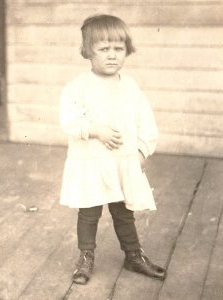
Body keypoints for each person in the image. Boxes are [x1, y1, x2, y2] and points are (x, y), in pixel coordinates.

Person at [59, 14, 166, 285]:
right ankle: (86, 257)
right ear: (88, 52)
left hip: (120, 163)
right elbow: (69, 120)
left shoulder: (130, 87)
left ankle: (133, 254)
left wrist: (142, 151)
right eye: (103, 49)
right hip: (91, 162)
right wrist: (96, 130)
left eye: (118, 49)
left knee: (123, 210)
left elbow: (146, 121)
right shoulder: (79, 87)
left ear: (126, 50)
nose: (111, 56)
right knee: (89, 210)